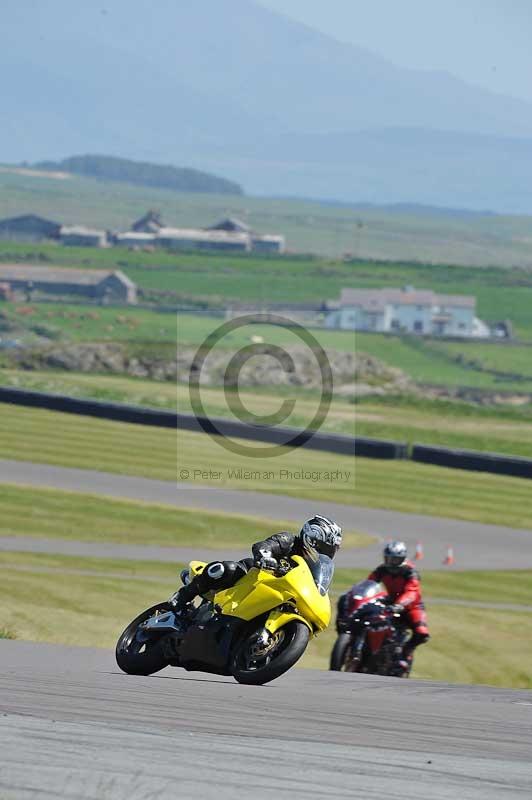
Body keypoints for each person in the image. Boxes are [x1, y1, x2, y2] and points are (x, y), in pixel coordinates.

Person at [171, 514, 343, 611]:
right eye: (329, 548)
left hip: (278, 593)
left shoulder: (315, 566)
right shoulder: (289, 541)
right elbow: (264, 545)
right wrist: (265, 557)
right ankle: (182, 596)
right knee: (225, 569)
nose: (330, 553)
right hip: (252, 576)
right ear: (313, 540)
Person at [337, 540, 430, 675]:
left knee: (422, 633)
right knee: (367, 617)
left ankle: (406, 653)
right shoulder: (382, 570)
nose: (391, 562)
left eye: (395, 559)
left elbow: (412, 592)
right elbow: (368, 583)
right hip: (390, 602)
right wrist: (360, 594)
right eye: (389, 558)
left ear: (402, 558)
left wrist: (399, 605)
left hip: (411, 606)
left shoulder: (410, 572)